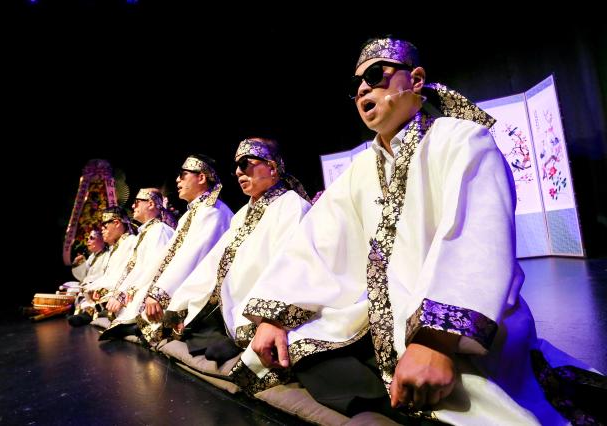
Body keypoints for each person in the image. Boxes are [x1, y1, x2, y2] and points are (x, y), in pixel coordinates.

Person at [236, 37, 602, 425]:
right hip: (374, 321)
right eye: (357, 83)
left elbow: (474, 240)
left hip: (448, 328)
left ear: (416, 80)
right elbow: (318, 244)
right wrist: (274, 315)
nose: (363, 88)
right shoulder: (361, 168)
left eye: (376, 75)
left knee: (475, 400)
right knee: (297, 352)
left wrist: (435, 340)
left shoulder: (461, 140)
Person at [163, 138, 311, 365]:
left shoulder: (292, 205)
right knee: (194, 333)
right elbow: (214, 261)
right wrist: (182, 305)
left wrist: (270, 319)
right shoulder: (243, 213)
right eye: (236, 166)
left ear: (271, 167)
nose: (238, 172)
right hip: (233, 308)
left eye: (245, 164)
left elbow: (290, 267)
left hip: (265, 312)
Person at [120, 155, 234, 345]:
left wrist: (160, 293)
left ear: (202, 178)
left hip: (204, 293)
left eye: (183, 175)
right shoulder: (191, 214)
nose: (177, 180)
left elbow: (191, 258)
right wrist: (147, 290)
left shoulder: (213, 212)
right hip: (181, 287)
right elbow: (167, 258)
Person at [99, 188, 175, 339]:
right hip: (141, 284)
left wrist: (125, 293)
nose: (133, 206)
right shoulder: (147, 232)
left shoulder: (159, 230)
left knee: (129, 308)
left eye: (137, 202)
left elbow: (155, 269)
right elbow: (136, 268)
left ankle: (137, 324)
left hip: (154, 287)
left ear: (151, 204)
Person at [68, 206, 137, 326]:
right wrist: (93, 286)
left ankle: (92, 313)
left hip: (124, 288)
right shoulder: (117, 246)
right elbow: (109, 275)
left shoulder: (130, 242)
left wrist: (97, 287)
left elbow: (124, 275)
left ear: (116, 223)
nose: (103, 231)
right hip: (114, 286)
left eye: (105, 227)